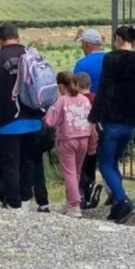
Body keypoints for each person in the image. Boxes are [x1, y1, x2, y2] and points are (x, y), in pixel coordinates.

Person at [89, 25, 135, 224]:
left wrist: (94, 117)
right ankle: (118, 202)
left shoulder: (111, 59)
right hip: (131, 118)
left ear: (117, 38)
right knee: (114, 160)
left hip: (112, 118)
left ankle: (123, 200)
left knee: (105, 163)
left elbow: (105, 90)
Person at [0, 22, 46, 211]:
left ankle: (14, 203)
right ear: (18, 37)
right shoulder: (34, 55)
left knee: (10, 163)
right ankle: (26, 200)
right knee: (28, 162)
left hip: (8, 121)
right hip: (34, 119)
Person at [44, 72, 96, 218]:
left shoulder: (62, 101)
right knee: (77, 172)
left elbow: (50, 121)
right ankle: (72, 200)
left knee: (69, 173)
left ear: (61, 86)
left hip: (67, 139)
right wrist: (92, 144)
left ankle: (74, 206)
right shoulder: (85, 100)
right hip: (84, 139)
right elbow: (91, 124)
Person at [74, 30, 106, 206]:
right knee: (104, 155)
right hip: (108, 112)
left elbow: (74, 88)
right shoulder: (109, 59)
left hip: (86, 117)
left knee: (84, 157)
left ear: (86, 44)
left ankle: (86, 192)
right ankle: (105, 191)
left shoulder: (82, 64)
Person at [76, 71, 104, 208]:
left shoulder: (78, 101)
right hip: (96, 139)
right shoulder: (96, 98)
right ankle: (91, 196)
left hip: (82, 138)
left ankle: (86, 191)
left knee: (78, 168)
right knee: (91, 167)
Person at [74, 28, 106, 93]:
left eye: (82, 43)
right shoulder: (111, 59)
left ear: (86, 44)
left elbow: (75, 89)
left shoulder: (81, 64)